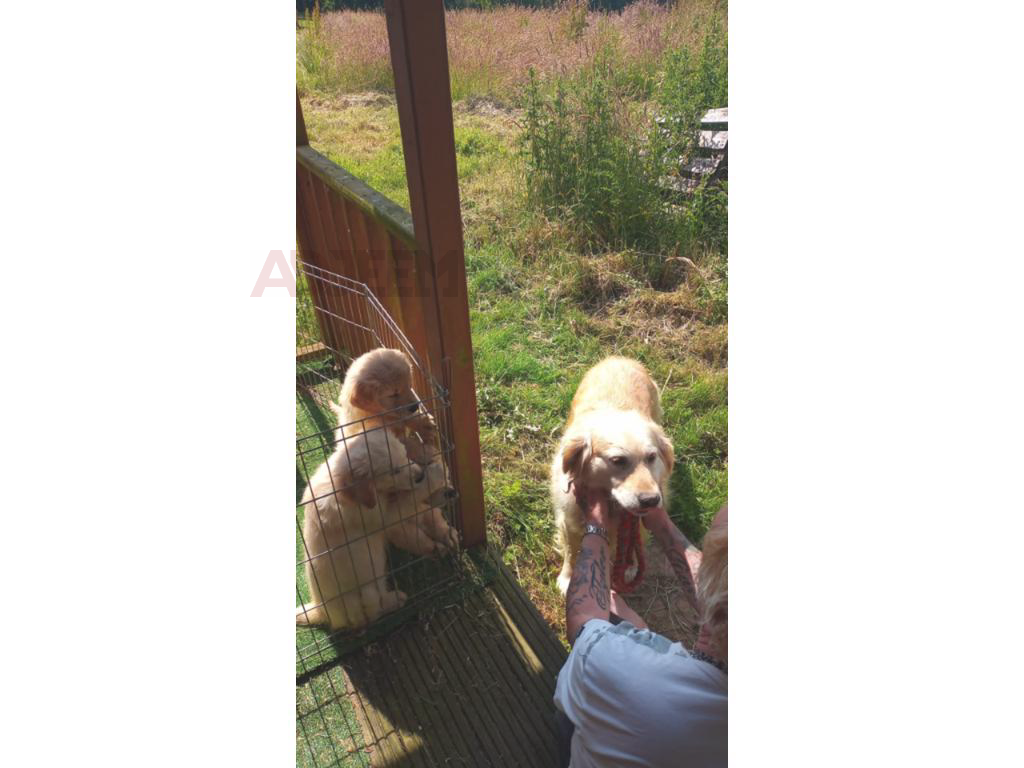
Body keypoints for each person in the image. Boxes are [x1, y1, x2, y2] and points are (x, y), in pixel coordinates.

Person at [553, 490, 728, 767]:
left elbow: (584, 616)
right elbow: (718, 587)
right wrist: (662, 524)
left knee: (567, 714)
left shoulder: (609, 664)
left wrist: (596, 525)